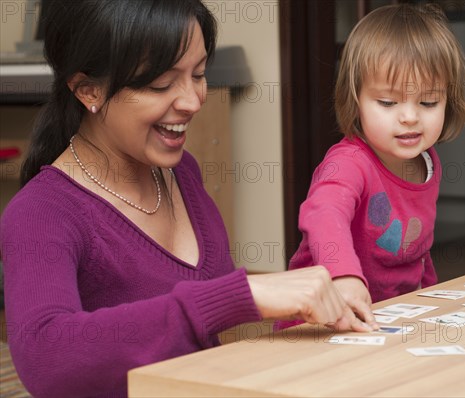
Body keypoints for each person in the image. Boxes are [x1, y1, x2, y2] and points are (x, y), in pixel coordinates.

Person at [0, 1, 372, 396]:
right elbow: (46, 356)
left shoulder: (181, 173)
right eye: (161, 84)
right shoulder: (41, 212)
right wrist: (239, 295)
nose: (192, 101)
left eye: (198, 75)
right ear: (87, 89)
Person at [279, 4, 465, 329]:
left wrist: (433, 299)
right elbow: (323, 215)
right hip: (321, 323)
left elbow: (418, 251)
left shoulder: (428, 162)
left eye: (428, 102)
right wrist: (343, 276)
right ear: (355, 100)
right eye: (388, 102)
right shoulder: (348, 163)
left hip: (386, 319)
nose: (410, 116)